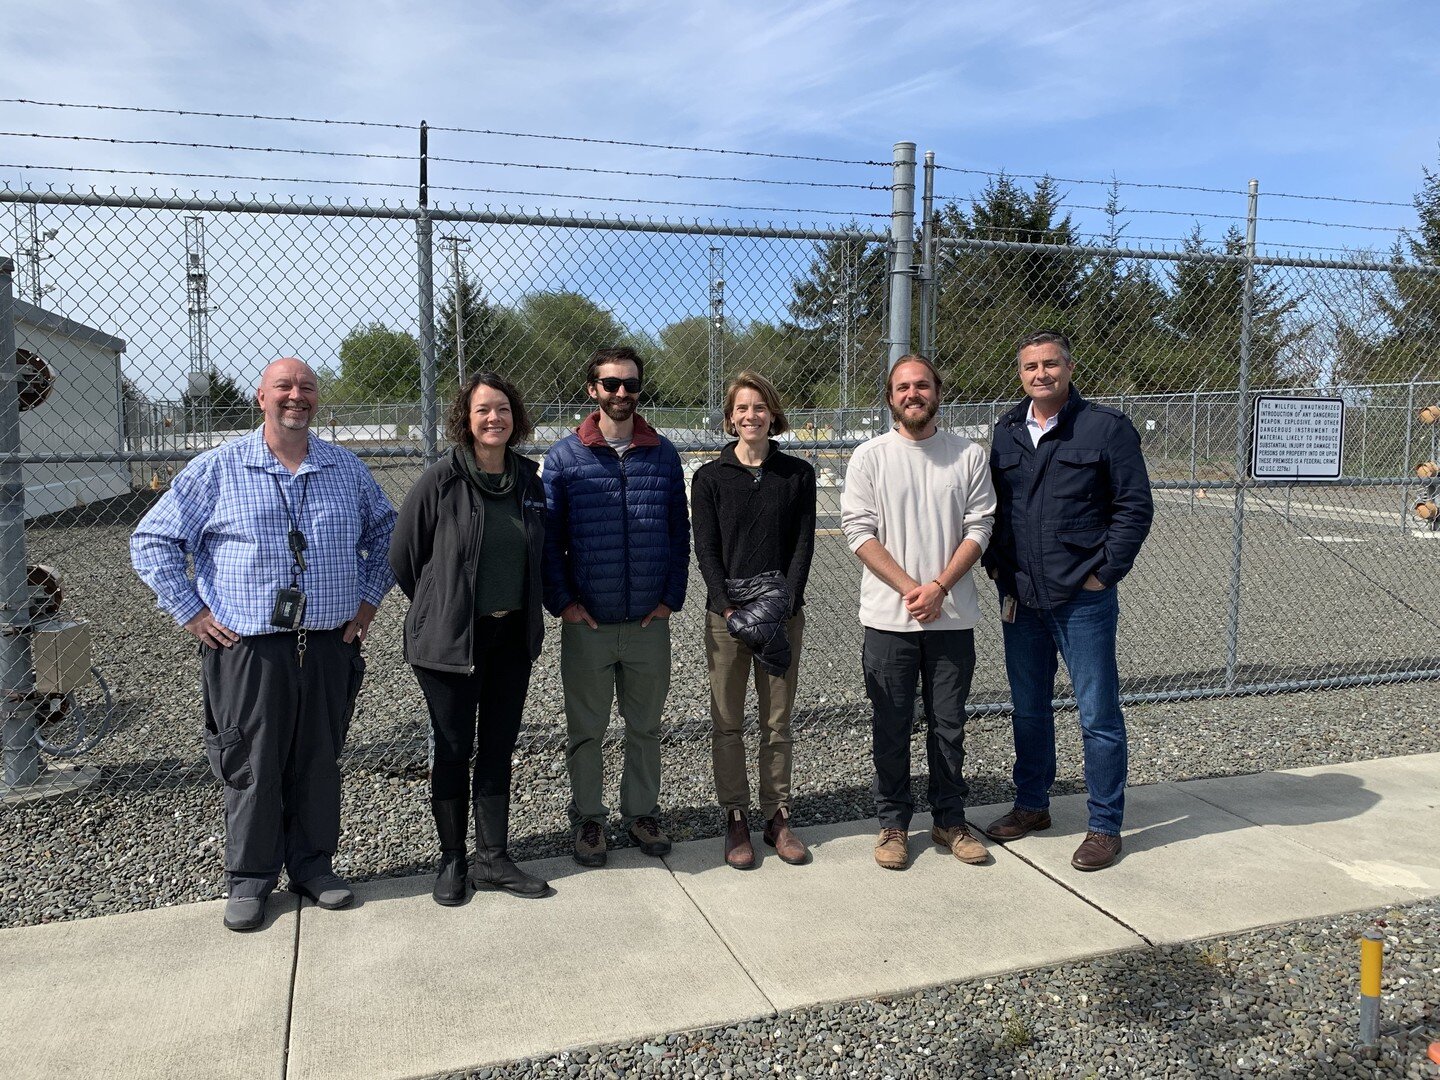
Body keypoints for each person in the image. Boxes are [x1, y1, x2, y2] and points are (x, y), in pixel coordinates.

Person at [130, 357, 396, 932]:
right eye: (284, 387)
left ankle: (313, 867)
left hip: (328, 644)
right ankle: (249, 879)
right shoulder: (219, 469)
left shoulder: (345, 469)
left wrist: (369, 602)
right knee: (249, 763)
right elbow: (151, 539)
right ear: (262, 398)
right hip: (249, 650)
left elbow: (388, 531)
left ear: (316, 400)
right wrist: (192, 612)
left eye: (305, 388)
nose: (295, 396)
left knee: (319, 759)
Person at [981, 329, 1154, 872]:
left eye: (1050, 364)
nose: (1040, 374)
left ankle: (1104, 824)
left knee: (1097, 714)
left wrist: (1104, 574)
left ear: (1069, 368)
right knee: (1029, 709)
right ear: (1020, 374)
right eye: (1030, 366)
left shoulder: (1105, 428)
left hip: (1083, 598)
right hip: (1022, 598)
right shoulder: (1007, 432)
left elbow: (1134, 508)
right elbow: (994, 509)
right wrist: (998, 570)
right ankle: (1032, 805)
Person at [389, 372, 550, 906]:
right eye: (483, 410)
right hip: (451, 642)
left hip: (510, 635)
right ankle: (454, 858)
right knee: (454, 748)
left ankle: (494, 857)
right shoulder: (441, 480)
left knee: (499, 746)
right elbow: (405, 558)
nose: (493, 419)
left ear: (515, 417)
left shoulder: (529, 481)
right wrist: (443, 605)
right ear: (467, 417)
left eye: (502, 409)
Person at [840, 355, 996, 871]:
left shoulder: (968, 456)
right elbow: (859, 531)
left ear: (937, 393)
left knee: (948, 724)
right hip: (889, 619)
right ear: (890, 398)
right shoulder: (870, 457)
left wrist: (940, 587)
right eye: (903, 387)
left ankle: (950, 818)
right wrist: (913, 589)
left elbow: (980, 527)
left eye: (922, 385)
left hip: (951, 619)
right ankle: (893, 823)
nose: (913, 394)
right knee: (891, 723)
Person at [542, 346, 690, 867]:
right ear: (592, 390)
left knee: (645, 725)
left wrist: (672, 597)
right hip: (590, 622)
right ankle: (587, 818)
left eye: (630, 385)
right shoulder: (565, 456)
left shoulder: (663, 453)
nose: (621, 394)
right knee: (587, 728)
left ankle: (641, 811)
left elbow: (679, 530)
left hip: (649, 621)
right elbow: (549, 539)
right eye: (611, 384)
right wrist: (563, 603)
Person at [691, 371, 816, 870]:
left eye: (759, 407)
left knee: (777, 720)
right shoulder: (710, 478)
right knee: (727, 722)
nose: (751, 416)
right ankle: (736, 815)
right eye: (742, 408)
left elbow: (803, 546)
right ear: (730, 417)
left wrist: (782, 606)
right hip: (728, 618)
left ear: (773, 415)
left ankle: (777, 815)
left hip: (781, 614)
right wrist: (727, 606)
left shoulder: (797, 475)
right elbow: (707, 549)